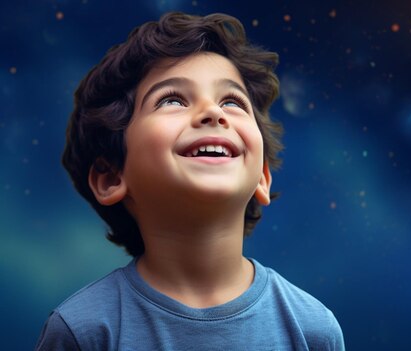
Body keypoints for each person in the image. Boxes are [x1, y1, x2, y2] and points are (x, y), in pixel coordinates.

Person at [36, 12, 344, 350]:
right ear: (112, 176)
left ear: (262, 177)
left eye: (232, 101)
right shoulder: (83, 332)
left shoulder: (311, 329)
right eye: (172, 100)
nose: (214, 113)